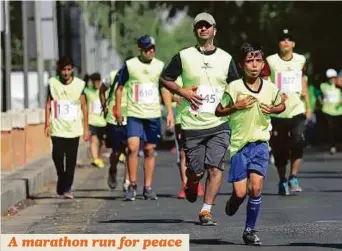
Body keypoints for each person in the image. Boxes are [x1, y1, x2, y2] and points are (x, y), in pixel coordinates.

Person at [160, 12, 239, 225]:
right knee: (196, 170)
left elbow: (237, 87)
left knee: (216, 167)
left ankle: (206, 210)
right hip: (192, 123)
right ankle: (192, 183)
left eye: (207, 26)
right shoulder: (184, 56)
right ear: (195, 31)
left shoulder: (226, 58)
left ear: (214, 30)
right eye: (199, 26)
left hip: (219, 123)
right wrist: (182, 91)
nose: (203, 29)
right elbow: (165, 78)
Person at [215, 42, 285, 246]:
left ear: (263, 63)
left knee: (255, 189)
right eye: (249, 61)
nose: (254, 65)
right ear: (241, 64)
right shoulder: (234, 87)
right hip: (239, 146)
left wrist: (274, 109)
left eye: (258, 61)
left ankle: (249, 230)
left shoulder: (271, 88)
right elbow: (219, 111)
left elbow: (281, 104)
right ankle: (234, 201)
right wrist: (236, 106)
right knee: (240, 192)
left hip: (261, 144)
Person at [115, 35, 174, 201]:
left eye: (153, 48)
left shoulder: (160, 66)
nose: (151, 51)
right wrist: (118, 109)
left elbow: (165, 89)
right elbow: (119, 88)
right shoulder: (130, 65)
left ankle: (147, 187)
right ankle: (132, 185)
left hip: (153, 115)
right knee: (132, 148)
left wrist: (169, 111)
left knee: (149, 150)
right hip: (135, 114)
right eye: (148, 49)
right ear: (140, 49)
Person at [262, 29, 311, 196]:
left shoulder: (300, 60)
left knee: (298, 140)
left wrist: (308, 105)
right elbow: (266, 83)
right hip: (278, 111)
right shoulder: (271, 61)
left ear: (293, 44)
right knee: (279, 148)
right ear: (279, 43)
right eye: (282, 39)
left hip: (297, 108)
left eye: (289, 39)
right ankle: (282, 180)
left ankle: (293, 177)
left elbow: (303, 81)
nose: (286, 42)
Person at [44, 56, 89, 199]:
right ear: (59, 70)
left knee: (71, 159)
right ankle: (61, 177)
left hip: (73, 128)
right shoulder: (53, 83)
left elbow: (84, 106)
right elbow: (48, 104)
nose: (66, 73)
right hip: (57, 126)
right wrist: (46, 123)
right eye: (63, 69)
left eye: (69, 69)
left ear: (72, 70)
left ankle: (67, 187)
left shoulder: (79, 85)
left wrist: (86, 128)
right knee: (57, 155)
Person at [172, 77, 204, 199]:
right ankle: (185, 184)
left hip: (202, 119)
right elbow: (166, 94)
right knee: (183, 153)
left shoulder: (202, 75)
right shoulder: (177, 79)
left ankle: (195, 182)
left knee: (200, 152)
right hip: (182, 120)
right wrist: (176, 97)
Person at [100, 68, 130, 191]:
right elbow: (102, 90)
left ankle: (128, 181)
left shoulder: (138, 77)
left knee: (130, 151)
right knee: (116, 152)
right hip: (114, 119)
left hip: (132, 119)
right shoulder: (113, 75)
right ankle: (113, 169)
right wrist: (104, 105)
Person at [84, 73, 107, 168]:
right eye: (95, 82)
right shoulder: (87, 91)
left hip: (103, 121)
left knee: (101, 142)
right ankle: (95, 158)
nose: (97, 83)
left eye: (99, 81)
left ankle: (99, 156)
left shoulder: (104, 90)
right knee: (94, 140)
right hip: (92, 120)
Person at [319, 69, 342, 154]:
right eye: (330, 78)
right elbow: (319, 95)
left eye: (333, 77)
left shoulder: (339, 86)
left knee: (338, 130)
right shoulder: (323, 86)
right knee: (330, 129)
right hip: (327, 110)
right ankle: (332, 146)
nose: (332, 79)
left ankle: (338, 144)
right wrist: (320, 101)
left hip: (339, 111)